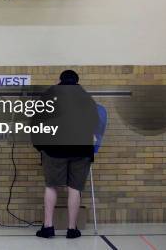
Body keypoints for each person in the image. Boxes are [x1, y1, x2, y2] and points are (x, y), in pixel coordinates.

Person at [32, 70, 99, 239]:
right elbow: (95, 124)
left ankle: (48, 227)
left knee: (51, 186)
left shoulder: (49, 96)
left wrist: (41, 147)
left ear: (59, 80)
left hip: (54, 149)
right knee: (75, 188)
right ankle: (71, 229)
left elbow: (36, 123)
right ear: (77, 82)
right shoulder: (86, 98)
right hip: (81, 149)